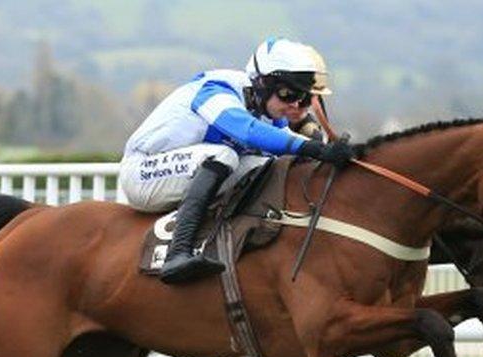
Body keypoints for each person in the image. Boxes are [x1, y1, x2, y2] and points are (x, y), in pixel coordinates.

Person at [120, 37, 355, 284]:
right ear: (262, 83)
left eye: (303, 98)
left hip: (184, 172)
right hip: (141, 173)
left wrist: (331, 149)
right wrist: (313, 148)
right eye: (288, 94)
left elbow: (290, 145)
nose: (296, 105)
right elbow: (248, 131)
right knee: (224, 156)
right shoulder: (216, 89)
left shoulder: (265, 108)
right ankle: (178, 254)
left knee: (267, 166)